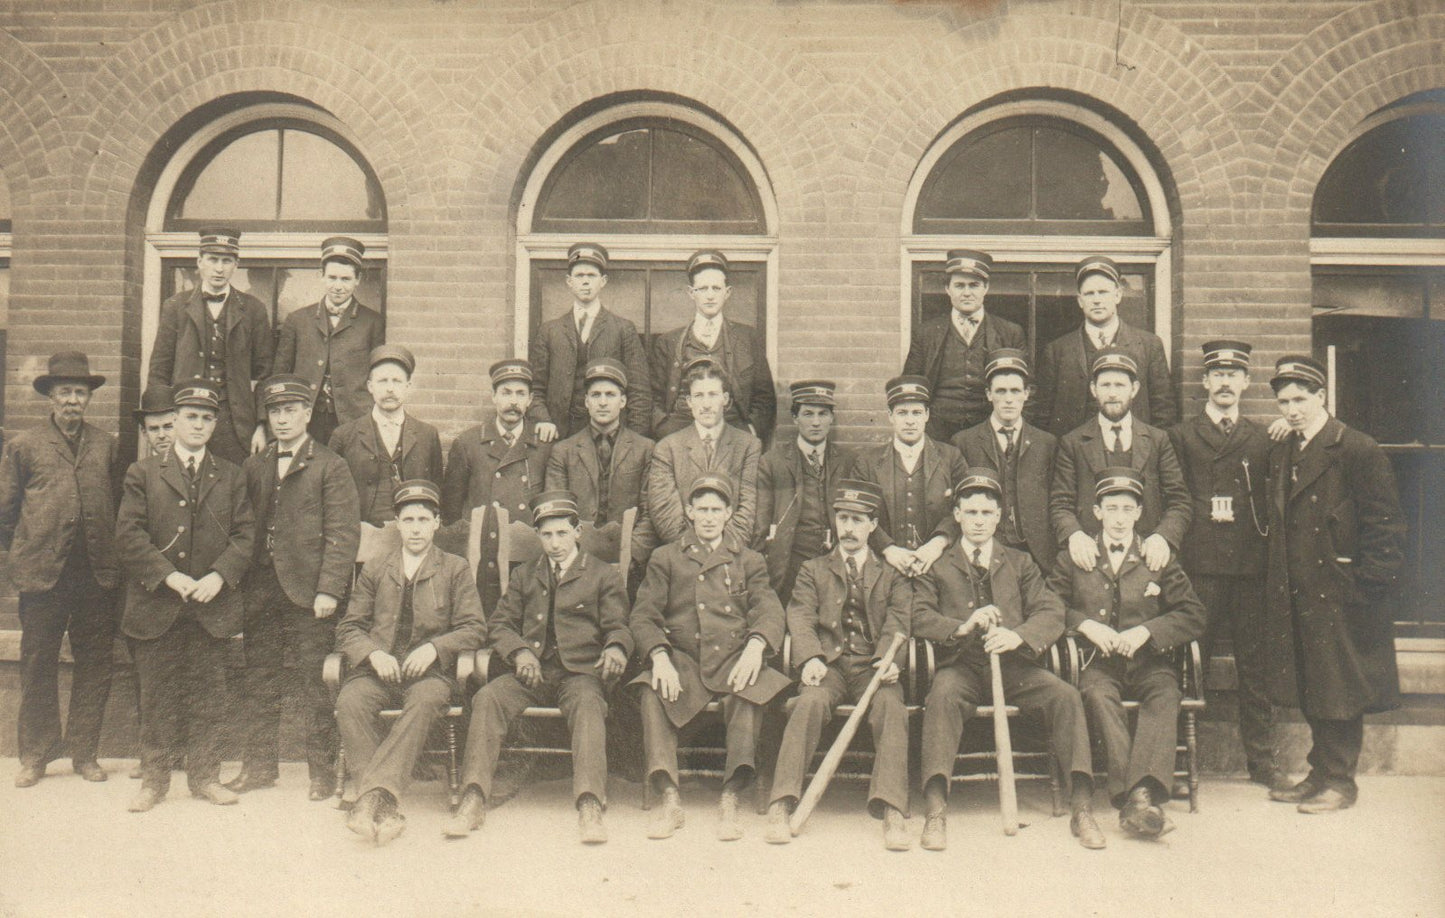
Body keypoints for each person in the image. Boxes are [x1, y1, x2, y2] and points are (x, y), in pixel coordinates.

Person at [912, 469, 1104, 851]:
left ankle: (1081, 807)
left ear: (999, 516)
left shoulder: (1020, 562)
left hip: (1016, 666)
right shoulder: (939, 564)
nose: (979, 521)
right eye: (971, 513)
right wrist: (962, 626)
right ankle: (935, 809)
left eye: (987, 513)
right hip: (962, 666)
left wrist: (1017, 635)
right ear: (957, 515)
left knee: (1066, 696)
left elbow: (1051, 611)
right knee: (941, 698)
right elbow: (918, 614)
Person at [446, 490, 632, 844]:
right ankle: (473, 796)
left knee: (590, 706)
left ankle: (590, 803)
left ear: (578, 532)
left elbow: (619, 626)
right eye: (546, 535)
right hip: (531, 672)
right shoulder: (526, 575)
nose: (554, 543)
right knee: (487, 698)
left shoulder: (601, 575)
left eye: (562, 533)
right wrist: (519, 653)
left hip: (580, 673)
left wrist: (616, 649)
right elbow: (499, 625)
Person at [1263, 356, 1405, 814]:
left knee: (1340, 687)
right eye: (1284, 402)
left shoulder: (1356, 448)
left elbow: (1385, 525)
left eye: (1300, 399)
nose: (1292, 410)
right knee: (1314, 684)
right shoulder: (1288, 448)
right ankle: (1319, 772)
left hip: (1342, 593)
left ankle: (1341, 782)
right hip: (1301, 591)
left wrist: (1366, 588)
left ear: (1322, 396)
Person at [115, 380, 254, 812]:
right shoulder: (142, 474)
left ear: (215, 424)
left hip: (210, 609)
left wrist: (219, 575)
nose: (198, 425)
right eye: (190, 417)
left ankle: (205, 778)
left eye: (207, 418)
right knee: (156, 696)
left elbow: (246, 535)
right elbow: (128, 535)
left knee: (209, 696)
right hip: (158, 605)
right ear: (174, 421)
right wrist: (169, 577)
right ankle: (153, 782)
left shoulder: (231, 475)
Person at [1046, 468, 1207, 839]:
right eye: (1111, 508)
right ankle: (1139, 798)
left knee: (1165, 694)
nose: (1119, 518)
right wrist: (1086, 625)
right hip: (1097, 664)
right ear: (1097, 512)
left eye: (1127, 509)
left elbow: (1193, 613)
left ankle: (1137, 798)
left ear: (1138, 513)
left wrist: (1147, 631)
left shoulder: (1156, 554)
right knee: (1099, 697)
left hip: (1149, 662)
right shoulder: (1076, 555)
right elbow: (1047, 604)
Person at [629, 474, 789, 841]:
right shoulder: (665, 557)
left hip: (735, 657)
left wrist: (756, 645)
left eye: (716, 510)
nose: (708, 517)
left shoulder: (748, 560)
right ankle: (669, 796)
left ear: (729, 514)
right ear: (688, 511)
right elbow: (643, 615)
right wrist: (659, 656)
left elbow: (769, 609)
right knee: (653, 692)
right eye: (701, 509)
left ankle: (731, 796)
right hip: (683, 659)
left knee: (747, 694)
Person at [229, 375, 360, 800]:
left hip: (309, 594)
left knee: (314, 684)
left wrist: (329, 591)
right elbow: (244, 529)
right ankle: (259, 767)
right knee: (259, 680)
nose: (282, 420)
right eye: (274, 412)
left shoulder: (330, 465)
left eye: (290, 411)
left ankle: (321, 773)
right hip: (262, 590)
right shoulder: (256, 464)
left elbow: (342, 534)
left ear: (307, 414)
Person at [335, 480, 486, 845]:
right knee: (349, 701)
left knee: (425, 701)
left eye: (423, 519)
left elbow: (475, 628)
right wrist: (373, 653)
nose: (416, 528)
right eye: (408, 520)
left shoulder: (455, 568)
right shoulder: (376, 568)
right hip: (378, 670)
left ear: (436, 523)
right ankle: (385, 805)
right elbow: (348, 627)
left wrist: (435, 648)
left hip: (430, 675)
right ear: (397, 525)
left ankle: (369, 798)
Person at [764, 480, 912, 850]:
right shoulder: (813, 569)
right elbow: (799, 615)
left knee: (892, 707)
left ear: (872, 525)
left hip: (872, 665)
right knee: (808, 702)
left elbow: (899, 621)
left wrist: (887, 662)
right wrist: (811, 657)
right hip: (828, 665)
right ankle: (782, 802)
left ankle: (892, 809)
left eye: (857, 520)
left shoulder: (891, 574)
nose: (848, 527)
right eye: (843, 518)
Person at [0, 352, 120, 788]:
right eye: (65, 391)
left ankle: (84, 752)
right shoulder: (24, 445)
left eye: (80, 393)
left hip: (95, 575)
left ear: (89, 399)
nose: (73, 400)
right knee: (37, 664)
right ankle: (36, 754)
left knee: (95, 663)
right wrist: (24, 557)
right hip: (42, 577)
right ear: (50, 396)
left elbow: (119, 508)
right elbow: (6, 515)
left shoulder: (106, 444)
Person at [1167, 340, 1282, 790]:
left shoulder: (1262, 436)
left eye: (1234, 375)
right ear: (1205, 382)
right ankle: (1178, 767)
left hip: (1249, 567)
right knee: (1189, 665)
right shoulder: (1181, 436)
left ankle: (1263, 765)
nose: (1226, 382)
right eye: (1217, 375)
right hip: (1200, 568)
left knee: (1255, 668)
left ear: (1246, 382)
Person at [1049, 348, 1191, 576]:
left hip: (1146, 557)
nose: (1112, 393)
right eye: (1105, 385)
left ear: (1134, 389)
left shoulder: (1157, 440)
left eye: (1120, 385)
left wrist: (1162, 536)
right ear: (1093, 389)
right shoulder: (1073, 442)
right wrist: (1075, 535)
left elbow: (1179, 501)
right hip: (1091, 559)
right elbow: (1060, 503)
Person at [146, 227, 272, 463]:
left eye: (226, 260)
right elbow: (159, 370)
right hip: (185, 417)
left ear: (236, 265)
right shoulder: (175, 307)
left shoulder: (254, 309)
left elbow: (264, 373)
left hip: (235, 422)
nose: (219, 268)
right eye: (213, 259)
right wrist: (164, 424)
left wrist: (261, 426)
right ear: (199, 262)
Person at [441, 359, 552, 611]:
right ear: (493, 396)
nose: (513, 401)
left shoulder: (544, 445)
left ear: (530, 400)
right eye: (506, 392)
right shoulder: (468, 444)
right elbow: (451, 512)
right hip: (483, 558)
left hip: (529, 558)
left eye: (520, 393)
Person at [1034, 256, 1175, 435]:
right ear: (1080, 300)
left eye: (1103, 292)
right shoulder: (1057, 350)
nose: (1097, 300)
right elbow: (1042, 417)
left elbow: (1164, 411)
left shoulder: (1149, 345)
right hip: (1073, 456)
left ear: (1117, 295)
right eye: (1089, 294)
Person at [947, 349, 1058, 571]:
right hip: (986, 550)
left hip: (1036, 553)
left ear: (1026, 393)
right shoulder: (964, 442)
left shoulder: (1047, 443)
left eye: (1015, 391)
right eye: (1001, 391)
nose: (1008, 399)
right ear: (989, 394)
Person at [845, 375, 967, 579]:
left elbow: (966, 508)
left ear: (927, 415)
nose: (910, 420)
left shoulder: (950, 457)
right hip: (884, 567)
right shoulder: (866, 463)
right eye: (902, 413)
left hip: (940, 564)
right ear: (890, 416)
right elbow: (856, 515)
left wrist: (938, 544)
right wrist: (888, 549)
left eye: (917, 412)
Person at [529, 243, 653, 441]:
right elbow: (535, 389)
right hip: (558, 436)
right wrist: (543, 420)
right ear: (569, 281)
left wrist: (632, 440)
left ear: (602, 281)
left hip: (609, 437)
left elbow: (640, 392)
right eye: (579, 276)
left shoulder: (622, 329)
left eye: (591, 276)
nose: (585, 282)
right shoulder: (549, 331)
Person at [650, 250, 776, 444]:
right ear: (691, 293)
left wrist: (751, 430)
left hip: (734, 434)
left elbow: (764, 396)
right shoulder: (668, 342)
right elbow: (653, 396)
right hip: (680, 435)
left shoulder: (747, 338)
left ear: (727, 292)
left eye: (716, 288)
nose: (710, 296)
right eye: (703, 289)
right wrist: (664, 431)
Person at [902, 249, 1026, 443]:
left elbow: (1027, 388)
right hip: (938, 430)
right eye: (959, 285)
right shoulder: (926, 333)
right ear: (947, 289)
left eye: (974, 285)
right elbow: (911, 386)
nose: (967, 292)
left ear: (985, 288)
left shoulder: (1010, 332)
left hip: (988, 429)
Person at [544, 357, 657, 566]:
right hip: (577, 561)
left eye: (610, 395)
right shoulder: (563, 451)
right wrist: (577, 559)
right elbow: (557, 514)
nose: (603, 402)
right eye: (596, 395)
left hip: (629, 561)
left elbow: (650, 512)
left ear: (623, 401)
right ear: (586, 401)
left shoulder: (645, 449)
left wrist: (629, 554)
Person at [274, 236, 385, 444]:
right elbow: (280, 374)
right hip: (306, 420)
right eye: (332, 277)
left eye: (345, 279)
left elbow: (378, 376)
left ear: (357, 280)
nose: (338, 286)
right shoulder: (298, 320)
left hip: (353, 420)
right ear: (321, 276)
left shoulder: (373, 323)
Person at [753, 380, 855, 603]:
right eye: (808, 414)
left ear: (832, 417)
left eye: (823, 414)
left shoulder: (848, 462)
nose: (816, 422)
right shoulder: (773, 463)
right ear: (795, 418)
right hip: (791, 564)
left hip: (836, 562)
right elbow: (760, 527)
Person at [645, 357, 761, 547]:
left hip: (731, 555)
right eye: (699, 396)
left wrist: (720, 551)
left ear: (725, 399)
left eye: (713, 394)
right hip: (683, 556)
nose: (706, 404)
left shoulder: (748, 446)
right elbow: (665, 514)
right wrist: (694, 552)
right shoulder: (667, 448)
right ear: (689, 401)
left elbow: (748, 509)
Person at [329, 345, 444, 527]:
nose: (390, 389)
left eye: (397, 381)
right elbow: (332, 496)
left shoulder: (427, 435)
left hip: (410, 535)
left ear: (408, 386)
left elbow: (436, 493)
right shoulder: (344, 436)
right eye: (383, 381)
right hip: (361, 535)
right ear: (370, 386)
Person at [135, 386, 177, 457]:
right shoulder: (139, 468)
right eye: (154, 429)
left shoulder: (194, 466)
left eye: (168, 427)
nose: (161, 435)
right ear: (145, 433)